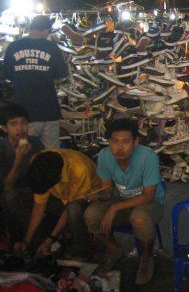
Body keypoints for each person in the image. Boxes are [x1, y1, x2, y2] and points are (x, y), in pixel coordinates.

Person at [84, 118, 165, 285]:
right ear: (109, 142)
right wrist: (98, 196)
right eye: (115, 141)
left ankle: (146, 257)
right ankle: (114, 249)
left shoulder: (148, 157)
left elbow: (149, 196)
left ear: (136, 142)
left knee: (140, 219)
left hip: (149, 203)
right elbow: (107, 190)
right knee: (91, 214)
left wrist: (114, 207)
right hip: (120, 200)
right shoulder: (105, 155)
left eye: (126, 141)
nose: (120, 147)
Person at [13, 148, 100, 260]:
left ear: (58, 178)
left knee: (74, 210)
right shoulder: (39, 162)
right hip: (60, 198)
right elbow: (39, 204)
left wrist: (51, 238)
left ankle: (83, 252)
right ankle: (31, 244)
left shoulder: (80, 169)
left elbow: (69, 207)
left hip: (88, 199)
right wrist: (27, 239)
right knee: (14, 196)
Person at [3, 15, 68, 148]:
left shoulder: (13, 47)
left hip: (23, 113)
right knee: (50, 157)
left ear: (31, 27)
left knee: (24, 154)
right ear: (47, 30)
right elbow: (61, 77)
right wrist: (44, 78)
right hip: (49, 110)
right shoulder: (52, 48)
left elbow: (9, 76)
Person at [0, 103, 44, 244]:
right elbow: (7, 187)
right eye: (13, 124)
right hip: (9, 194)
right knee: (10, 197)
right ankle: (25, 242)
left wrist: (35, 159)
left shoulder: (35, 143)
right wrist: (18, 160)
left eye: (23, 123)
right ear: (4, 128)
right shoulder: (2, 148)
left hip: (33, 191)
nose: (20, 128)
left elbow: (44, 177)